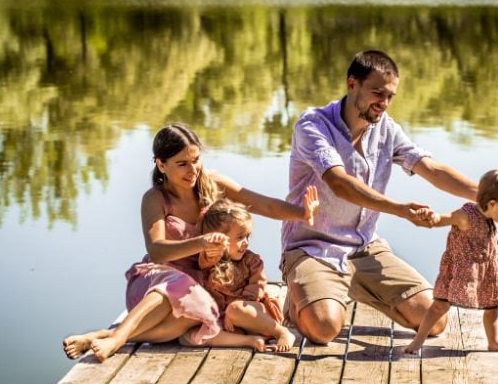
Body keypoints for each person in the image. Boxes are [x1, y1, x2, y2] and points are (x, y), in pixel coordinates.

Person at [63, 123, 318, 362]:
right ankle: (117, 339)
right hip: (155, 282)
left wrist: (302, 213)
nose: (192, 170)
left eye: (196, 160)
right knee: (176, 282)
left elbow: (263, 204)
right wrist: (201, 243)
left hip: (197, 286)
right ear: (161, 165)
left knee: (189, 323)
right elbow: (157, 250)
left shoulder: (213, 184)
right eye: (182, 163)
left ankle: (98, 336)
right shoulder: (155, 199)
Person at [280, 50, 478, 344]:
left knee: (434, 320)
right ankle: (297, 306)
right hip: (313, 247)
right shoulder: (313, 126)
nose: (383, 104)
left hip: (365, 248)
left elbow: (431, 169)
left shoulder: (386, 128)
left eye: (390, 96)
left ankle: (352, 287)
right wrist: (400, 209)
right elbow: (339, 182)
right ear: (352, 84)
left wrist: (485, 195)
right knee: (323, 328)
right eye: (377, 93)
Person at [405, 169, 498, 353]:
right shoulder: (466, 215)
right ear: (492, 204)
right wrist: (432, 217)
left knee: (492, 306)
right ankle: (418, 341)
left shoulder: (489, 215)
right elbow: (444, 219)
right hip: (460, 270)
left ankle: (494, 340)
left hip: (485, 269)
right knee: (439, 305)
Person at [196, 198, 296, 352]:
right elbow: (204, 263)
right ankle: (249, 340)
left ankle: (281, 332)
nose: (246, 242)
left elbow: (258, 288)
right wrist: (214, 247)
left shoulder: (252, 261)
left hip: (254, 312)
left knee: (235, 309)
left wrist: (235, 310)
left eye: (247, 236)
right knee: (190, 336)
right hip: (227, 320)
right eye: (240, 237)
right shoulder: (210, 261)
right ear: (220, 238)